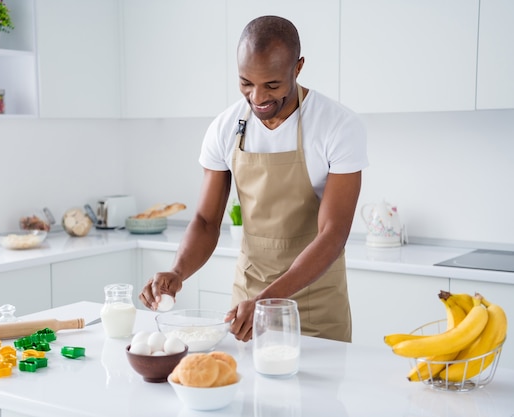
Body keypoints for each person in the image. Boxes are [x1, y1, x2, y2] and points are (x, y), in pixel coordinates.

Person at [139, 15, 368, 343]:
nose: (258, 97)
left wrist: (268, 301)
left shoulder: (338, 126)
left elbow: (333, 235)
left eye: (272, 85)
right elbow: (205, 221)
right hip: (247, 301)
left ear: (298, 68)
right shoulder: (224, 127)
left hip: (317, 306)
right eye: (246, 82)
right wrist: (177, 272)